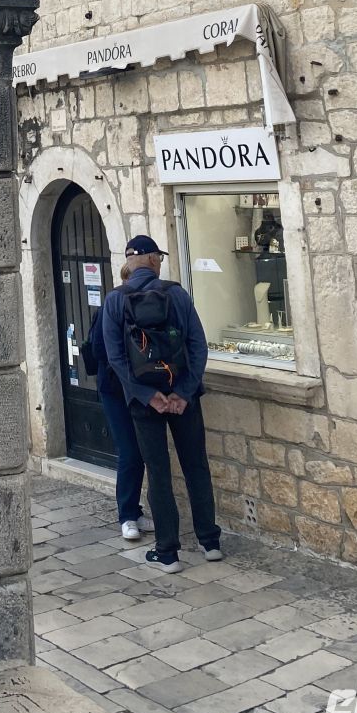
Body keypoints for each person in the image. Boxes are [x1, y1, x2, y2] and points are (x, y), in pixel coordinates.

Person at [102, 234, 222, 574]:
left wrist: (147, 395)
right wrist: (183, 393)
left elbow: (116, 357)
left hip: (145, 404)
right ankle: (209, 541)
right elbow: (198, 346)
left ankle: (168, 552)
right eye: (159, 257)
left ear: (128, 262)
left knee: (158, 472)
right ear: (153, 260)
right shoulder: (178, 295)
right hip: (184, 398)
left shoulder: (115, 301)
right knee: (195, 465)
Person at [86, 264, 152, 542]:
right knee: (129, 450)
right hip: (114, 389)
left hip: (137, 387)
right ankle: (126, 514)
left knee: (140, 450)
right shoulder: (110, 308)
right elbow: (100, 350)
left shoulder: (147, 307)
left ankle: (134, 511)